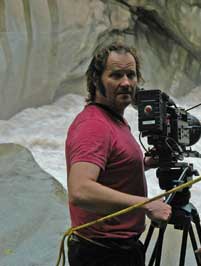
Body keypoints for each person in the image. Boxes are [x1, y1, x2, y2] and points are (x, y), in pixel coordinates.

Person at [65, 42, 171, 266]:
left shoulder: (112, 119)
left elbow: (109, 165)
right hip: (102, 254)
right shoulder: (94, 126)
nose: (126, 83)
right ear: (96, 80)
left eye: (131, 75)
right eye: (116, 75)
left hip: (117, 250)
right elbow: (80, 190)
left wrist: (144, 163)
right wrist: (146, 204)